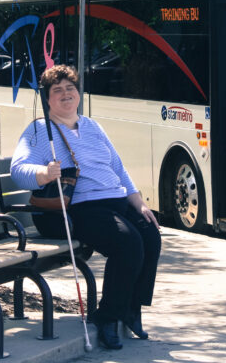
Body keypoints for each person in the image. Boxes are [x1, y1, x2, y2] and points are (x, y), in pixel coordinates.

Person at [10, 65, 161, 350]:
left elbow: (118, 167)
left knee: (150, 234)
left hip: (116, 198)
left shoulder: (92, 126)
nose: (66, 95)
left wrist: (138, 202)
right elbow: (18, 169)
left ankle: (130, 308)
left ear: (78, 93)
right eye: (58, 91)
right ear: (48, 99)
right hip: (83, 207)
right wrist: (43, 173)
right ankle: (107, 317)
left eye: (70, 89)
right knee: (127, 243)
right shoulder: (41, 131)